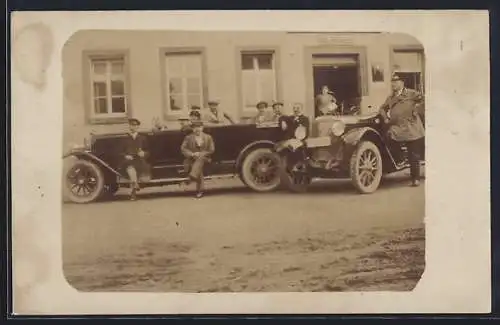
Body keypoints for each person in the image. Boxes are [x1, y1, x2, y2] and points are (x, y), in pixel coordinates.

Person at [379, 73, 425, 187]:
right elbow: (382, 108)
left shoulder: (411, 93)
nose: (393, 84)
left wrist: (416, 109)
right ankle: (399, 159)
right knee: (387, 137)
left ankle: (415, 178)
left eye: (396, 81)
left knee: (413, 154)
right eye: (392, 82)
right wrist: (385, 118)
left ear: (402, 83)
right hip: (397, 127)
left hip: (411, 127)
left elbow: (424, 100)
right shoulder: (390, 98)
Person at [181, 121, 215, 198]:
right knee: (198, 169)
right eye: (195, 128)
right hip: (192, 159)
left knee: (200, 158)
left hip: (205, 158)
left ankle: (191, 177)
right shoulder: (188, 138)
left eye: (199, 127)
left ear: (202, 128)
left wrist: (201, 154)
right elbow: (183, 149)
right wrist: (192, 154)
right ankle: (199, 191)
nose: (197, 129)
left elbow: (211, 150)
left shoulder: (208, 137)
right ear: (192, 129)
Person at [122, 118, 149, 200]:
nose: (133, 127)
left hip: (140, 161)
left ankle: (134, 187)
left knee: (136, 170)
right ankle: (134, 188)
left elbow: (148, 151)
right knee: (131, 169)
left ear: (138, 127)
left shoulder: (142, 138)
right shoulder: (125, 138)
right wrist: (125, 156)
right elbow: (120, 151)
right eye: (131, 125)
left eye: (135, 125)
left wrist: (144, 153)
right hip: (129, 161)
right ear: (129, 126)